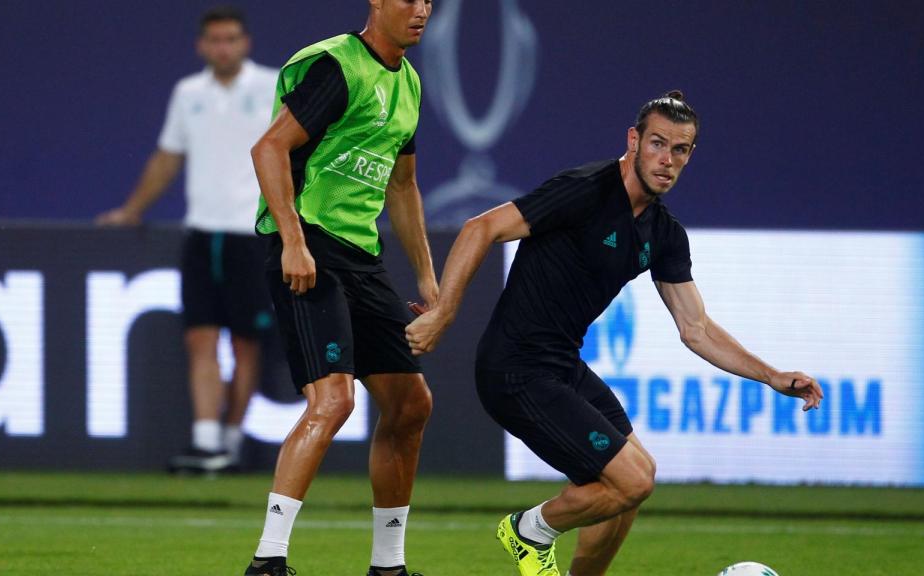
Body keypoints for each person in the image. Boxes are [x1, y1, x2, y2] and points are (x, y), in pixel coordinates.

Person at [405, 91, 825, 576]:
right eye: (657, 144)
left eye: (680, 150)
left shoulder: (664, 233)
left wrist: (772, 376)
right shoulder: (585, 189)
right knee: (632, 480)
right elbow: (481, 227)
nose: (667, 160)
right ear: (634, 141)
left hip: (561, 366)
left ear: (690, 155)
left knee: (631, 488)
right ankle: (530, 530)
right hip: (514, 369)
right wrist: (444, 312)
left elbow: (696, 328)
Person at [243, 1, 436, 575]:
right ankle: (268, 562)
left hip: (360, 256)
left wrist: (428, 277)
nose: (422, 9)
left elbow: (402, 186)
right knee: (334, 400)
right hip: (310, 242)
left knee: (411, 404)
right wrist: (292, 241)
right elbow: (269, 148)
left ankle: (388, 567)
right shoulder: (339, 66)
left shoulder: (409, 83)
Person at [97, 6, 278, 473]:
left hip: (252, 234)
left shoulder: (274, 87)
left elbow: (296, 153)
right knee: (200, 339)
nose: (224, 48)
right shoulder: (188, 93)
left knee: (245, 345)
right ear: (202, 46)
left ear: (245, 43)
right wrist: (132, 211)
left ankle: (230, 443)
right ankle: (205, 441)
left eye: (231, 39)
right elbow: (167, 157)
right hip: (200, 233)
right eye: (215, 40)